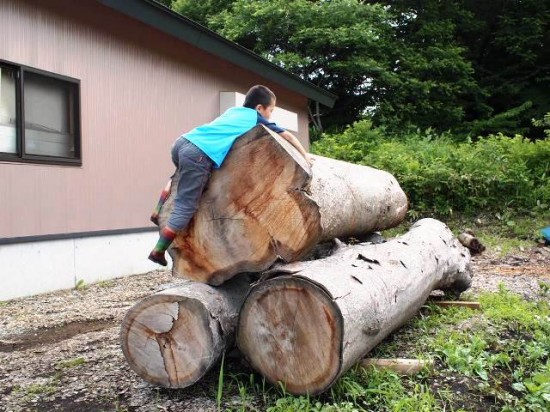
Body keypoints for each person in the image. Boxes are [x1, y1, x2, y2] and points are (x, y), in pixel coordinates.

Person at [148, 85, 314, 266]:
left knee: (180, 176)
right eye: (271, 110)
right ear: (259, 108)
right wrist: (304, 156)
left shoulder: (234, 111)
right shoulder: (255, 117)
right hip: (199, 153)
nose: (270, 115)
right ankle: (158, 250)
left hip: (183, 142)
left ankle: (158, 210)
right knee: (186, 206)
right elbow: (286, 136)